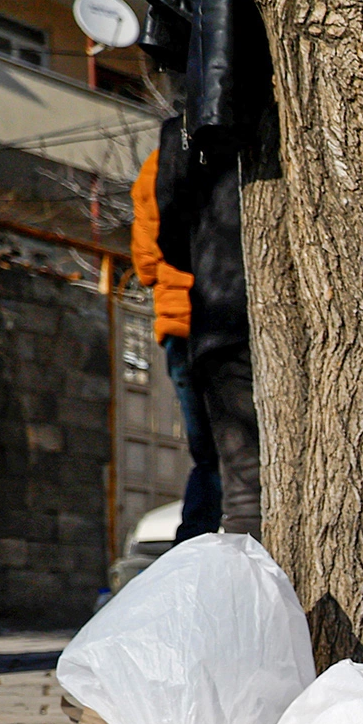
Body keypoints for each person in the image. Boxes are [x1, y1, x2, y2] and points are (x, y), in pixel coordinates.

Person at [154, 119, 258, 537]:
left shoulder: (183, 130)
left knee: (241, 486)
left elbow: (168, 236)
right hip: (238, 315)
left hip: (218, 316)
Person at [131, 125, 222, 543]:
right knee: (231, 448)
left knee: (206, 452)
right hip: (219, 317)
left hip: (175, 327)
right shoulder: (222, 159)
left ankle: (193, 541)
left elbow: (146, 266)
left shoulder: (153, 167)